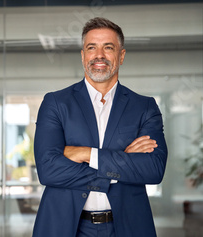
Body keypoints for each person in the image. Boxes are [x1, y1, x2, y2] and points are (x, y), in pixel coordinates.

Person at [32, 17, 168, 237]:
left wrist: (88, 154)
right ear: (83, 55)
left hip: (127, 226)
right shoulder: (55, 103)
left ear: (121, 56)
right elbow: (48, 170)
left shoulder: (144, 107)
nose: (99, 55)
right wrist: (122, 161)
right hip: (66, 227)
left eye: (108, 47)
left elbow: (153, 169)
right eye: (91, 47)